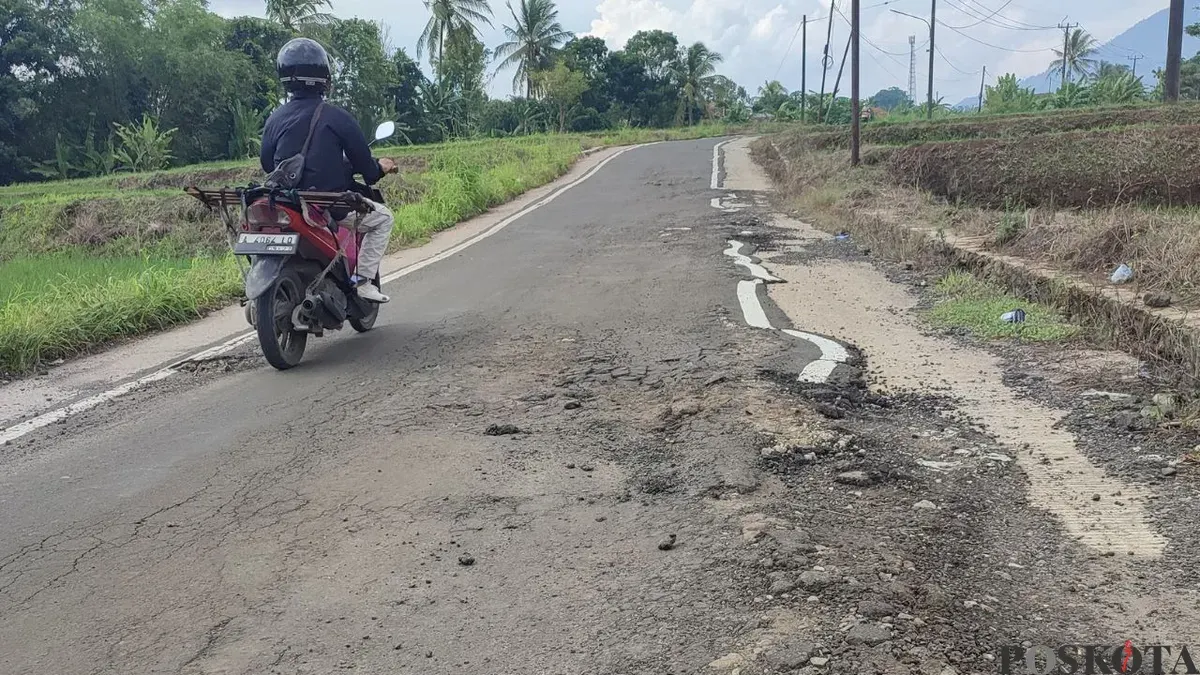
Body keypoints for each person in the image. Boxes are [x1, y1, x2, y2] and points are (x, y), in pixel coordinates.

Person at [260, 37, 398, 303]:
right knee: (384, 219)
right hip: (328, 205)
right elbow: (368, 172)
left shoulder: (274, 119)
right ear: (324, 78)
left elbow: (268, 164)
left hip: (287, 202)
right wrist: (380, 167)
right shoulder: (337, 117)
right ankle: (363, 281)